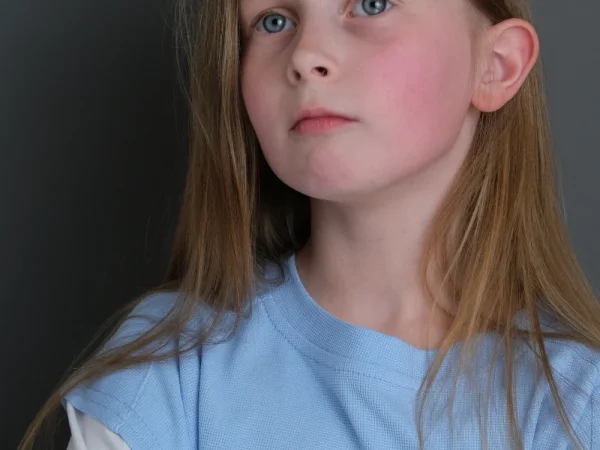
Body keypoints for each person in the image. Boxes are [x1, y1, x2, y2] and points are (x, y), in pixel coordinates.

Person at [20, 0, 600, 449]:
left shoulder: (576, 402)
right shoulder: (167, 370)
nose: (305, 55)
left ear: (497, 66)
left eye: (371, 4)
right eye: (273, 21)